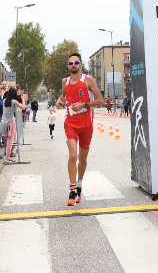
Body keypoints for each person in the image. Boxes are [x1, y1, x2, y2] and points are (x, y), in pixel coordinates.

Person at [55, 52, 104, 206]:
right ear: (68, 66)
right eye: (71, 63)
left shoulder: (88, 79)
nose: (73, 65)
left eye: (76, 63)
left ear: (81, 65)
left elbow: (100, 100)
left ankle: (79, 184)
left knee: (82, 158)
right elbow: (64, 95)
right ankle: (72, 190)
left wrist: (84, 105)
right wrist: (59, 101)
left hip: (86, 125)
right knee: (72, 155)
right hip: (70, 123)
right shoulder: (65, 81)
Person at [1, 87, 26, 164]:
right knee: (10, 141)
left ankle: (7, 157)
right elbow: (23, 107)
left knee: (7, 140)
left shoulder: (4, 100)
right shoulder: (14, 101)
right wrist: (23, 99)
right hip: (11, 122)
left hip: (4, 121)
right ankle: (7, 158)